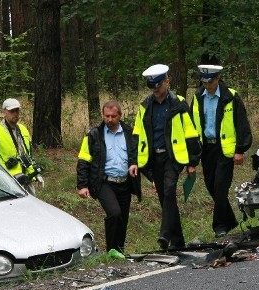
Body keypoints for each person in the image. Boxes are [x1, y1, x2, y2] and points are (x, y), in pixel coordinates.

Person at [129, 64, 201, 250]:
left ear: (167, 82)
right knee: (165, 199)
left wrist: (193, 162)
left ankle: (164, 235)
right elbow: (137, 135)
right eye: (151, 86)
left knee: (169, 191)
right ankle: (179, 243)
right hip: (153, 159)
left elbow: (191, 133)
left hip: (173, 157)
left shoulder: (178, 103)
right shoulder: (145, 106)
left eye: (158, 85)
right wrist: (134, 161)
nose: (155, 89)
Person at [190, 65, 252, 237]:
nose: (207, 85)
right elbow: (191, 125)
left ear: (218, 78)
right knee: (211, 186)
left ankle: (219, 226)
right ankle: (230, 220)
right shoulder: (197, 97)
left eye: (210, 82)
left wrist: (240, 149)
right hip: (206, 148)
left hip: (225, 148)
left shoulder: (230, 96)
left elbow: (242, 123)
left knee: (220, 187)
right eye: (204, 82)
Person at [77, 100, 141, 253]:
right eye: (107, 116)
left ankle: (120, 250)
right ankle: (111, 250)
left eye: (113, 116)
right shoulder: (94, 134)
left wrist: (136, 165)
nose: (110, 119)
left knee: (123, 218)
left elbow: (136, 155)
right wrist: (82, 185)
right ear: (103, 115)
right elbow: (84, 160)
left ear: (120, 115)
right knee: (114, 213)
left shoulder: (130, 132)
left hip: (125, 182)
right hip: (104, 182)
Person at [0, 98, 43, 195]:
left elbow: (30, 155)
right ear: (4, 112)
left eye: (17, 110)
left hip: (27, 179)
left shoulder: (23, 129)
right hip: (8, 181)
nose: (15, 113)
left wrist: (36, 173)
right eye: (12, 111)